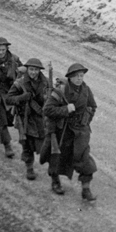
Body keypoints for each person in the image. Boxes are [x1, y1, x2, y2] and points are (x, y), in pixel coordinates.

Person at [40, 63, 97, 200]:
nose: (79, 78)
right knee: (56, 157)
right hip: (62, 131)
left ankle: (86, 189)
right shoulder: (60, 90)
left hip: (80, 132)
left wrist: (85, 121)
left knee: (85, 160)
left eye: (81, 76)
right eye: (76, 76)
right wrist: (65, 110)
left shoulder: (86, 90)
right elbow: (47, 110)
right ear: (70, 77)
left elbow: (92, 106)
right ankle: (55, 182)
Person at [7, 58, 48, 181]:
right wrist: (21, 98)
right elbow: (9, 99)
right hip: (25, 118)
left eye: (36, 70)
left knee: (43, 143)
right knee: (27, 144)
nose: (33, 72)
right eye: (31, 69)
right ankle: (29, 168)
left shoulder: (46, 83)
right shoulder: (20, 83)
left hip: (40, 119)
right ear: (27, 69)